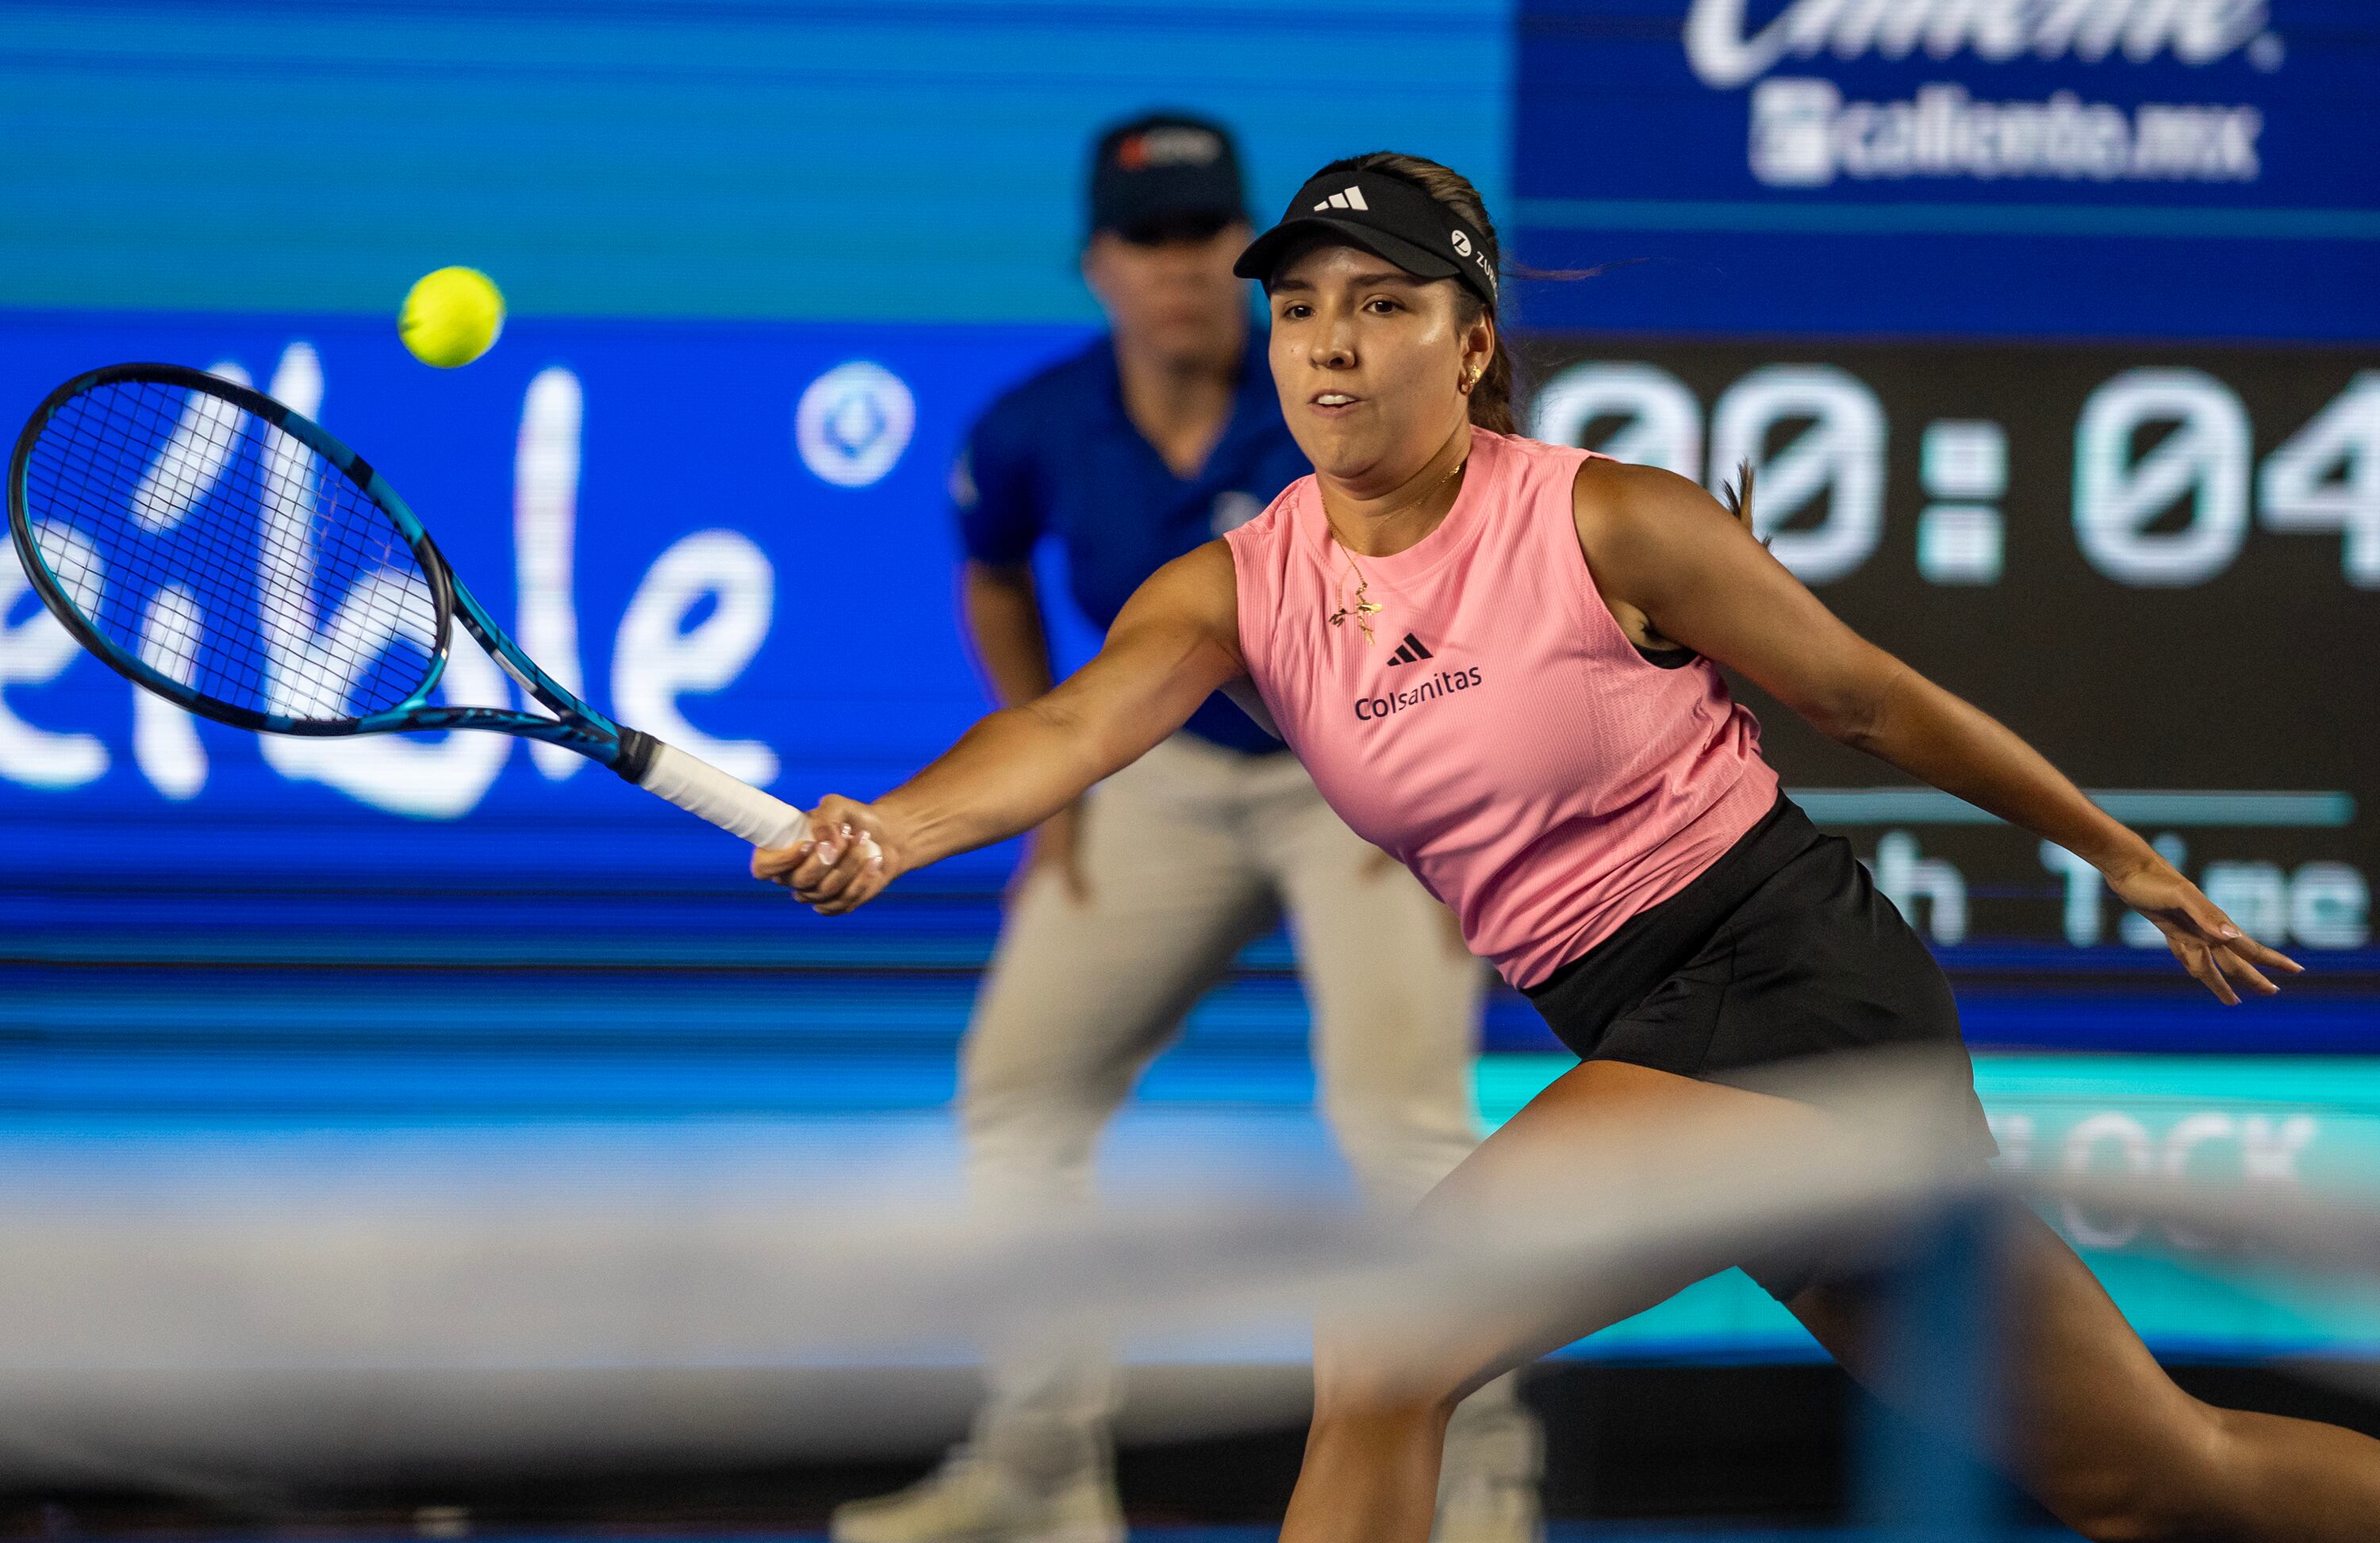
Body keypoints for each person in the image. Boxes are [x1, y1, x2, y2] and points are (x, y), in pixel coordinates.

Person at [762, 149, 2380, 1543]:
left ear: (1469, 346)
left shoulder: (1611, 517)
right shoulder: (1234, 587)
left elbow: (1872, 702)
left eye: (1383, 304)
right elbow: (1068, 730)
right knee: (2164, 1483)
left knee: (1389, 1337)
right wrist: (894, 829)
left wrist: (2117, 849)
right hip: (1652, 1033)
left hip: (1791, 990)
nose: (1332, 341)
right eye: (1303, 304)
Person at [825, 119, 1541, 1543]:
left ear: (1248, 257)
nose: (1180, 266)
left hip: (1370, 769)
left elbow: (1493, 564)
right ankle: (1038, 1469)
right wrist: (1060, 780)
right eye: (1147, 240)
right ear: (1097, 265)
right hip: (1157, 773)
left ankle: (1484, 1493)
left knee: (1402, 1131)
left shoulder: (1344, 394)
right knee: (1018, 1103)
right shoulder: (1031, 429)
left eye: (1210, 235)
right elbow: (994, 576)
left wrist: (1456, 787)